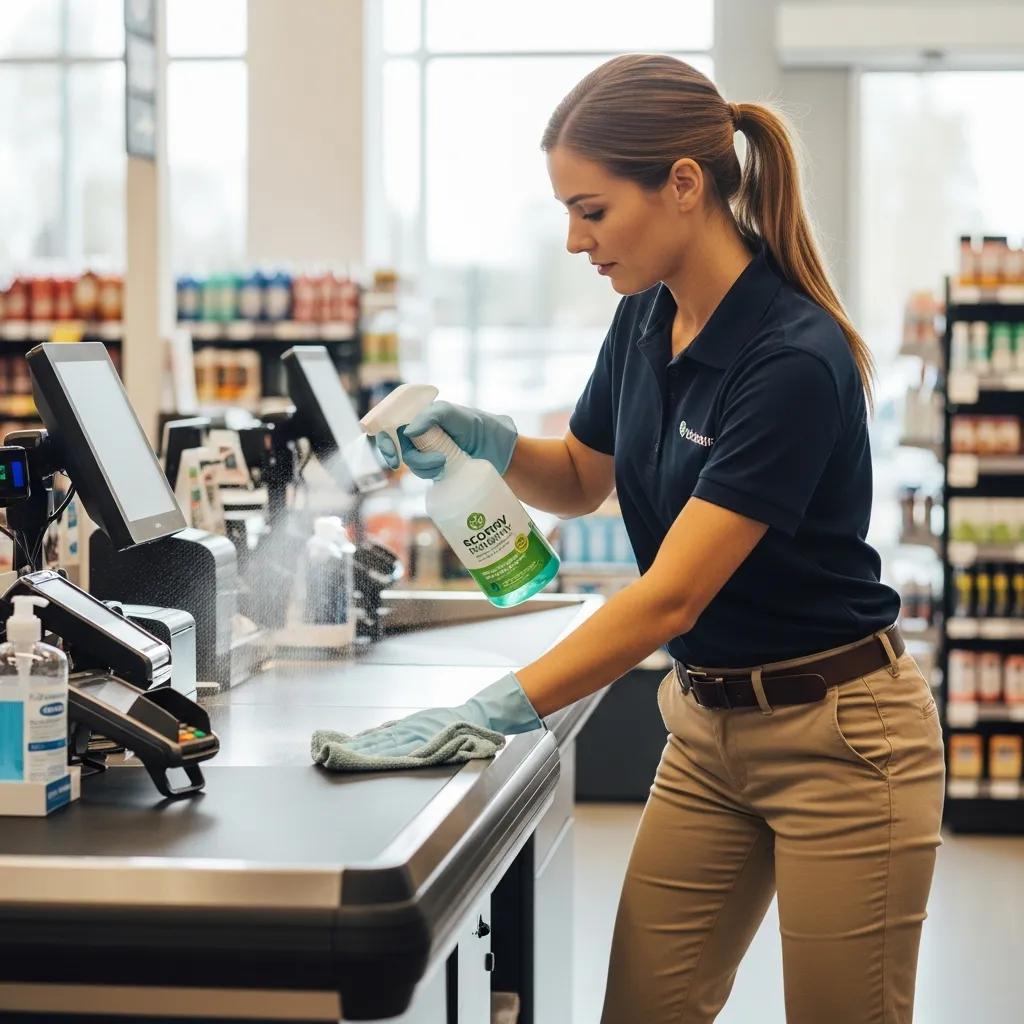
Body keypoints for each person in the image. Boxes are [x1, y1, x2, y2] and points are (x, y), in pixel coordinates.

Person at [357, 54, 944, 1024]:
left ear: (681, 185)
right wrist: (486, 442)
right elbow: (583, 476)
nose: (573, 240)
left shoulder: (792, 359)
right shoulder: (644, 318)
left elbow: (671, 596)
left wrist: (501, 704)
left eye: (591, 210)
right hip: (707, 728)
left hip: (842, 740)